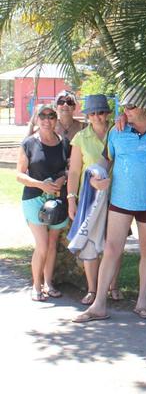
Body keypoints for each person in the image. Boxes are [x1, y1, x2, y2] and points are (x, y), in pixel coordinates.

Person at [73, 87, 146, 322]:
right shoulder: (117, 132)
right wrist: (96, 174)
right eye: (124, 107)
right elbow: (105, 159)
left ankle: (142, 302)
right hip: (121, 200)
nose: (126, 111)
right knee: (112, 249)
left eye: (131, 106)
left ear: (145, 106)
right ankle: (98, 305)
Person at [66, 94, 123, 305]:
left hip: (118, 196)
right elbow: (73, 172)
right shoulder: (81, 138)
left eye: (101, 112)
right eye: (93, 113)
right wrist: (72, 198)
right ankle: (92, 289)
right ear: (87, 116)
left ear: (107, 113)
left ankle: (112, 286)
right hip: (90, 199)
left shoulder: (119, 132)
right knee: (90, 243)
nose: (97, 117)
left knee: (114, 243)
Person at [16, 104, 70, 301]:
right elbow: (19, 175)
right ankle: (36, 286)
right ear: (37, 119)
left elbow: (68, 170)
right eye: (43, 116)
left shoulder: (64, 143)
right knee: (42, 244)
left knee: (53, 242)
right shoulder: (29, 144)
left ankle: (48, 283)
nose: (47, 120)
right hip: (33, 198)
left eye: (51, 116)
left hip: (56, 199)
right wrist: (41, 185)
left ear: (56, 119)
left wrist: (61, 180)